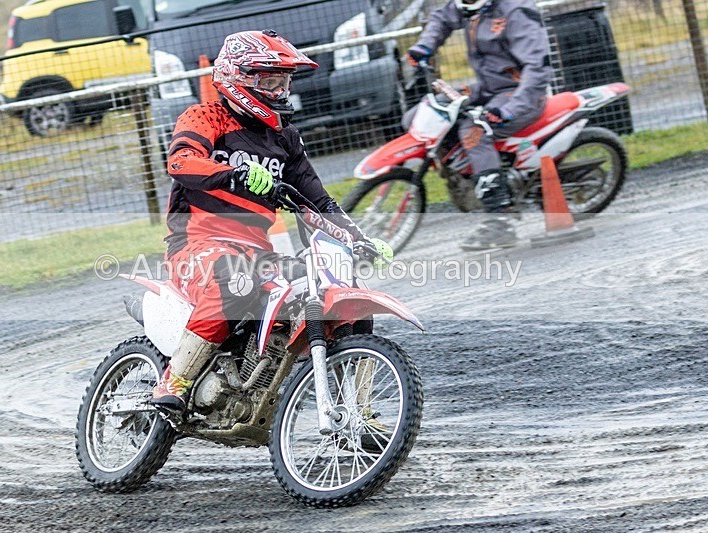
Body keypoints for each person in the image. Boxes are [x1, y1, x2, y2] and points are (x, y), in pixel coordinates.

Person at [152, 30, 392, 414]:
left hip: (257, 252)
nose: (280, 91)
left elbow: (317, 200)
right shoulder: (205, 115)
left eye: (284, 82)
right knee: (232, 277)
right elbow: (180, 162)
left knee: (348, 295)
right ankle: (174, 381)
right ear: (239, 77)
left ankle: (357, 412)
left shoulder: (286, 138)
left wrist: (359, 237)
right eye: (269, 81)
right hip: (197, 244)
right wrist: (233, 174)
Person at [408, 0, 552, 250]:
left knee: (473, 131)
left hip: (520, 94)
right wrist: (424, 46)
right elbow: (442, 17)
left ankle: (500, 220)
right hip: (488, 88)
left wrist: (508, 110)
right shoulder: (470, 6)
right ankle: (472, 175)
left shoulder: (516, 11)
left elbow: (537, 68)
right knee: (423, 113)